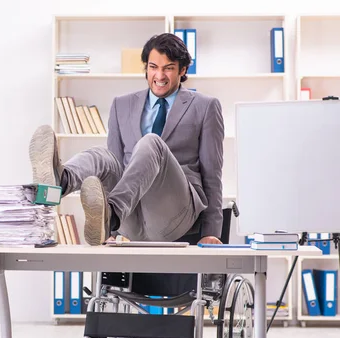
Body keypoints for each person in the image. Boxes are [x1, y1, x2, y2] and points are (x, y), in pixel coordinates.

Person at [29, 33, 224, 246]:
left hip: (176, 214)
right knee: (102, 155)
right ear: (146, 68)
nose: (159, 75)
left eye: (168, 68)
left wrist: (212, 231)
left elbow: (212, 174)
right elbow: (114, 166)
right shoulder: (122, 105)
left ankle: (112, 213)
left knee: (151, 143)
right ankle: (61, 180)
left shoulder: (205, 106)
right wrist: (113, 231)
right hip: (132, 217)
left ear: (183, 70)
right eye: (153, 67)